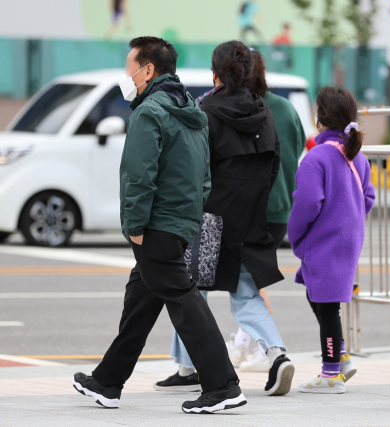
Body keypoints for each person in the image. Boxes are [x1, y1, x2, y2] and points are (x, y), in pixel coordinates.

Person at [72, 37, 245, 414]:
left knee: (183, 299)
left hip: (154, 226)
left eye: (129, 67)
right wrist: (188, 217)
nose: (127, 75)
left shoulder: (149, 112)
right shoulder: (193, 112)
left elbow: (139, 176)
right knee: (141, 301)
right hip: (179, 223)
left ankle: (223, 384)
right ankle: (107, 382)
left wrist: (135, 226)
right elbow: (205, 177)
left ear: (147, 70)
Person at [154, 41, 294, 397]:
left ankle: (190, 367)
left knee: (187, 288)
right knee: (245, 294)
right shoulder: (264, 110)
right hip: (251, 213)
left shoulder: (204, 110)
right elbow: (273, 163)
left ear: (215, 72)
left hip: (210, 214)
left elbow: (193, 167)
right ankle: (277, 355)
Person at [289, 86, 375, 394]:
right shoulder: (355, 155)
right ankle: (340, 358)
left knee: (326, 308)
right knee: (318, 295)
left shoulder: (318, 156)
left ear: (320, 118)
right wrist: (349, 216)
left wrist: (295, 234)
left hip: (323, 241)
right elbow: (368, 197)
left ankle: (330, 374)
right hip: (346, 240)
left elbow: (307, 203)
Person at [225, 49, 307, 372]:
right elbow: (298, 145)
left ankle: (268, 349)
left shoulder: (243, 110)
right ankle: (248, 342)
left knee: (247, 284)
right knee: (251, 279)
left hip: (251, 209)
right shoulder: (286, 108)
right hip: (280, 210)